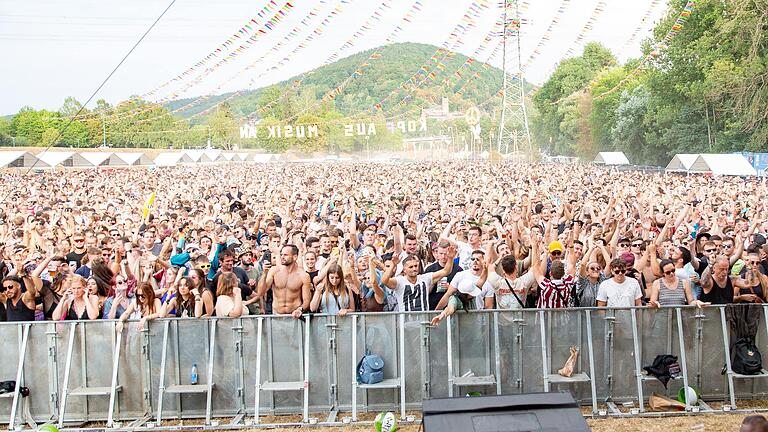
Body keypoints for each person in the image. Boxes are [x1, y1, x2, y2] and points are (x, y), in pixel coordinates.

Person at [381, 247, 457, 312]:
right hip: (406, 322)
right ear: (404, 270)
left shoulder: (425, 278)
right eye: (411, 267)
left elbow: (446, 271)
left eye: (416, 266)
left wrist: (450, 258)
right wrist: (393, 265)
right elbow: (384, 281)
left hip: (423, 321)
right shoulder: (399, 281)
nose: (414, 269)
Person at [259, 244, 311, 318]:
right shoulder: (274, 271)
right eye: (281, 254)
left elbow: (306, 300)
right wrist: (264, 274)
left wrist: (300, 309)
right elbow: (261, 293)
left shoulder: (303, 276)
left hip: (294, 316)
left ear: (295, 257)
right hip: (276, 315)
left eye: (285, 255)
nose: (282, 257)